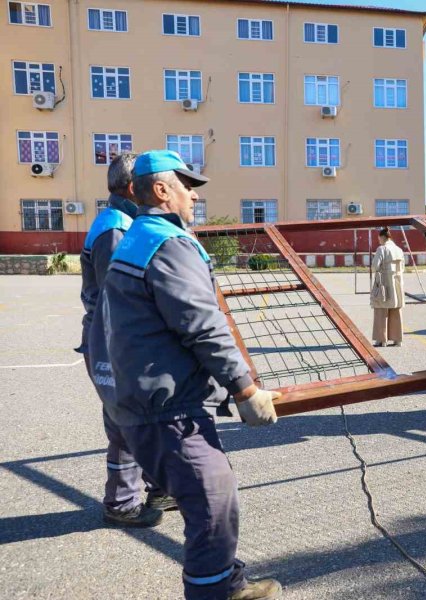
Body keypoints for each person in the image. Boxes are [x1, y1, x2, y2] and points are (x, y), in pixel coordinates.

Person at [101, 150, 282, 600]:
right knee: (210, 504)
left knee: (211, 498)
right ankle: (216, 593)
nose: (195, 197)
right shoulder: (167, 244)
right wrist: (244, 390)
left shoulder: (142, 236)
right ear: (162, 191)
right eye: (187, 187)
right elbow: (202, 326)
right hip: (166, 408)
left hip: (150, 398)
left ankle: (227, 582)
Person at [77, 152, 175, 527]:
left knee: (145, 416)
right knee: (126, 421)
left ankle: (159, 488)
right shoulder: (115, 228)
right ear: (136, 188)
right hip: (113, 340)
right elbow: (117, 298)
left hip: (121, 338)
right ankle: (121, 504)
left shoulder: (126, 221)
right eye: (157, 182)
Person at [370, 227, 405, 347]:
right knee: (396, 310)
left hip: (384, 282)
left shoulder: (382, 249)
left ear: (382, 237)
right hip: (397, 283)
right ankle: (397, 340)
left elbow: (375, 266)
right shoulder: (399, 249)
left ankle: (381, 340)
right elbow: (403, 268)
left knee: (381, 310)